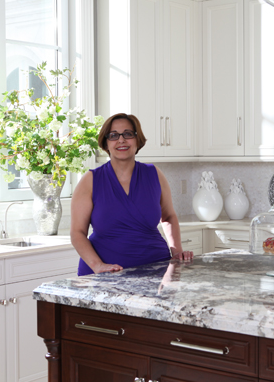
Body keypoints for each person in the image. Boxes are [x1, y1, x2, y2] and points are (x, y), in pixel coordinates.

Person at [71, 113, 193, 276]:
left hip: (156, 271)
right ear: (106, 143)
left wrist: (177, 252)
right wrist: (97, 265)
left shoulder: (154, 174)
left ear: (138, 139)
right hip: (104, 274)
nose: (121, 140)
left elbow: (169, 216)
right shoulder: (90, 180)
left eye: (128, 134)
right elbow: (77, 232)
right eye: (113, 135)